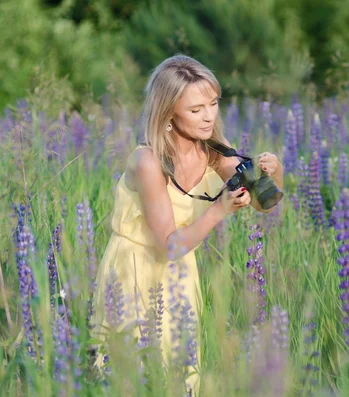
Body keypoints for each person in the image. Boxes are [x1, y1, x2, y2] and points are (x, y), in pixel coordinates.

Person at [90, 54, 283, 395]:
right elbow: (170, 245)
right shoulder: (147, 162)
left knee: (180, 375)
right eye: (196, 110)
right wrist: (219, 210)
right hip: (134, 273)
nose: (209, 115)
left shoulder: (213, 153)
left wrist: (272, 172)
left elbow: (262, 205)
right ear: (168, 114)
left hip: (179, 278)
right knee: (127, 376)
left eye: (213, 103)